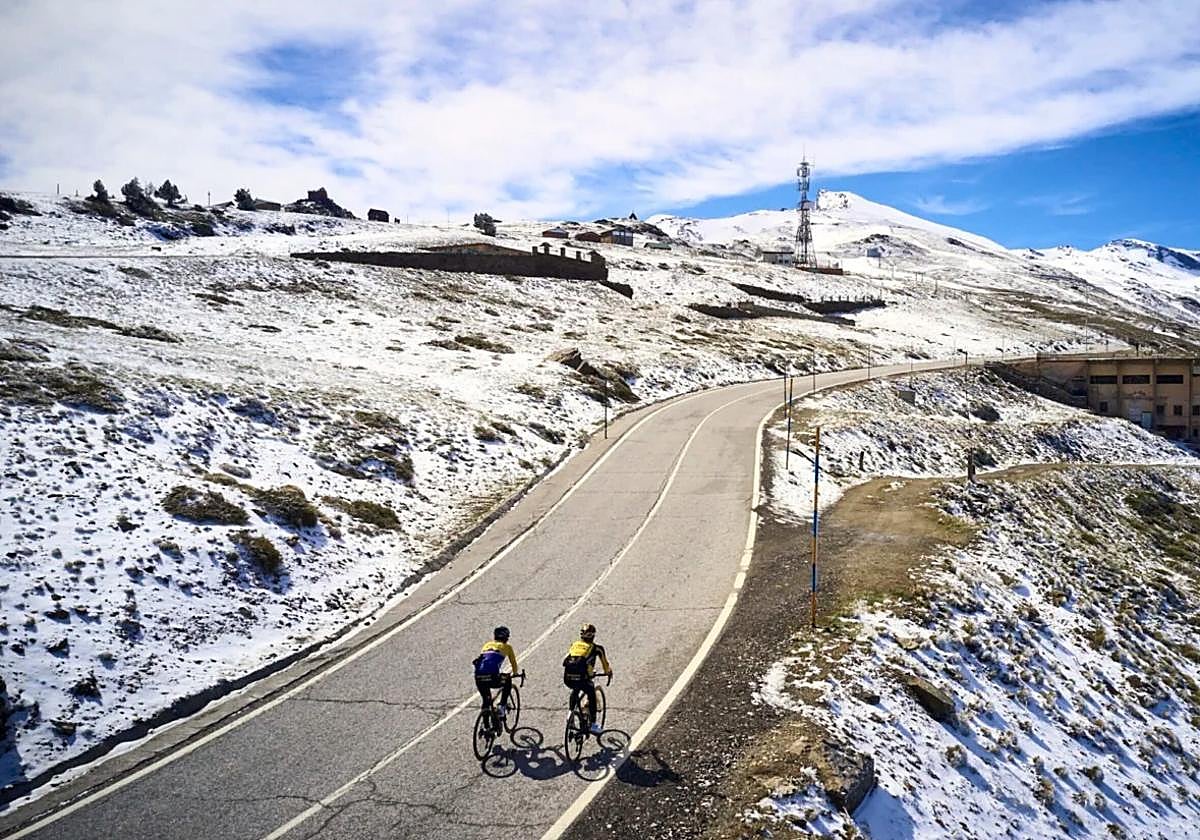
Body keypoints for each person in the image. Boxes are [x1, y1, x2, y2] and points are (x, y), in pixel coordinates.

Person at [562, 623, 612, 734]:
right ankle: (593, 725)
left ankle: (570, 714)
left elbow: (565, 659)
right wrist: (608, 672)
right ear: (593, 636)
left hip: (567, 678)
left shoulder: (574, 645)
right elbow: (605, 664)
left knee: (575, 689)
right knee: (591, 694)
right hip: (582, 678)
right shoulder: (597, 648)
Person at [474, 626, 518, 729]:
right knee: (507, 680)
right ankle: (502, 706)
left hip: (478, 677)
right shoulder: (507, 647)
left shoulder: (487, 645)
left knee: (486, 700)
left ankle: (486, 726)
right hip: (493, 677)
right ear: (506, 638)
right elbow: (513, 663)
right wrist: (515, 673)